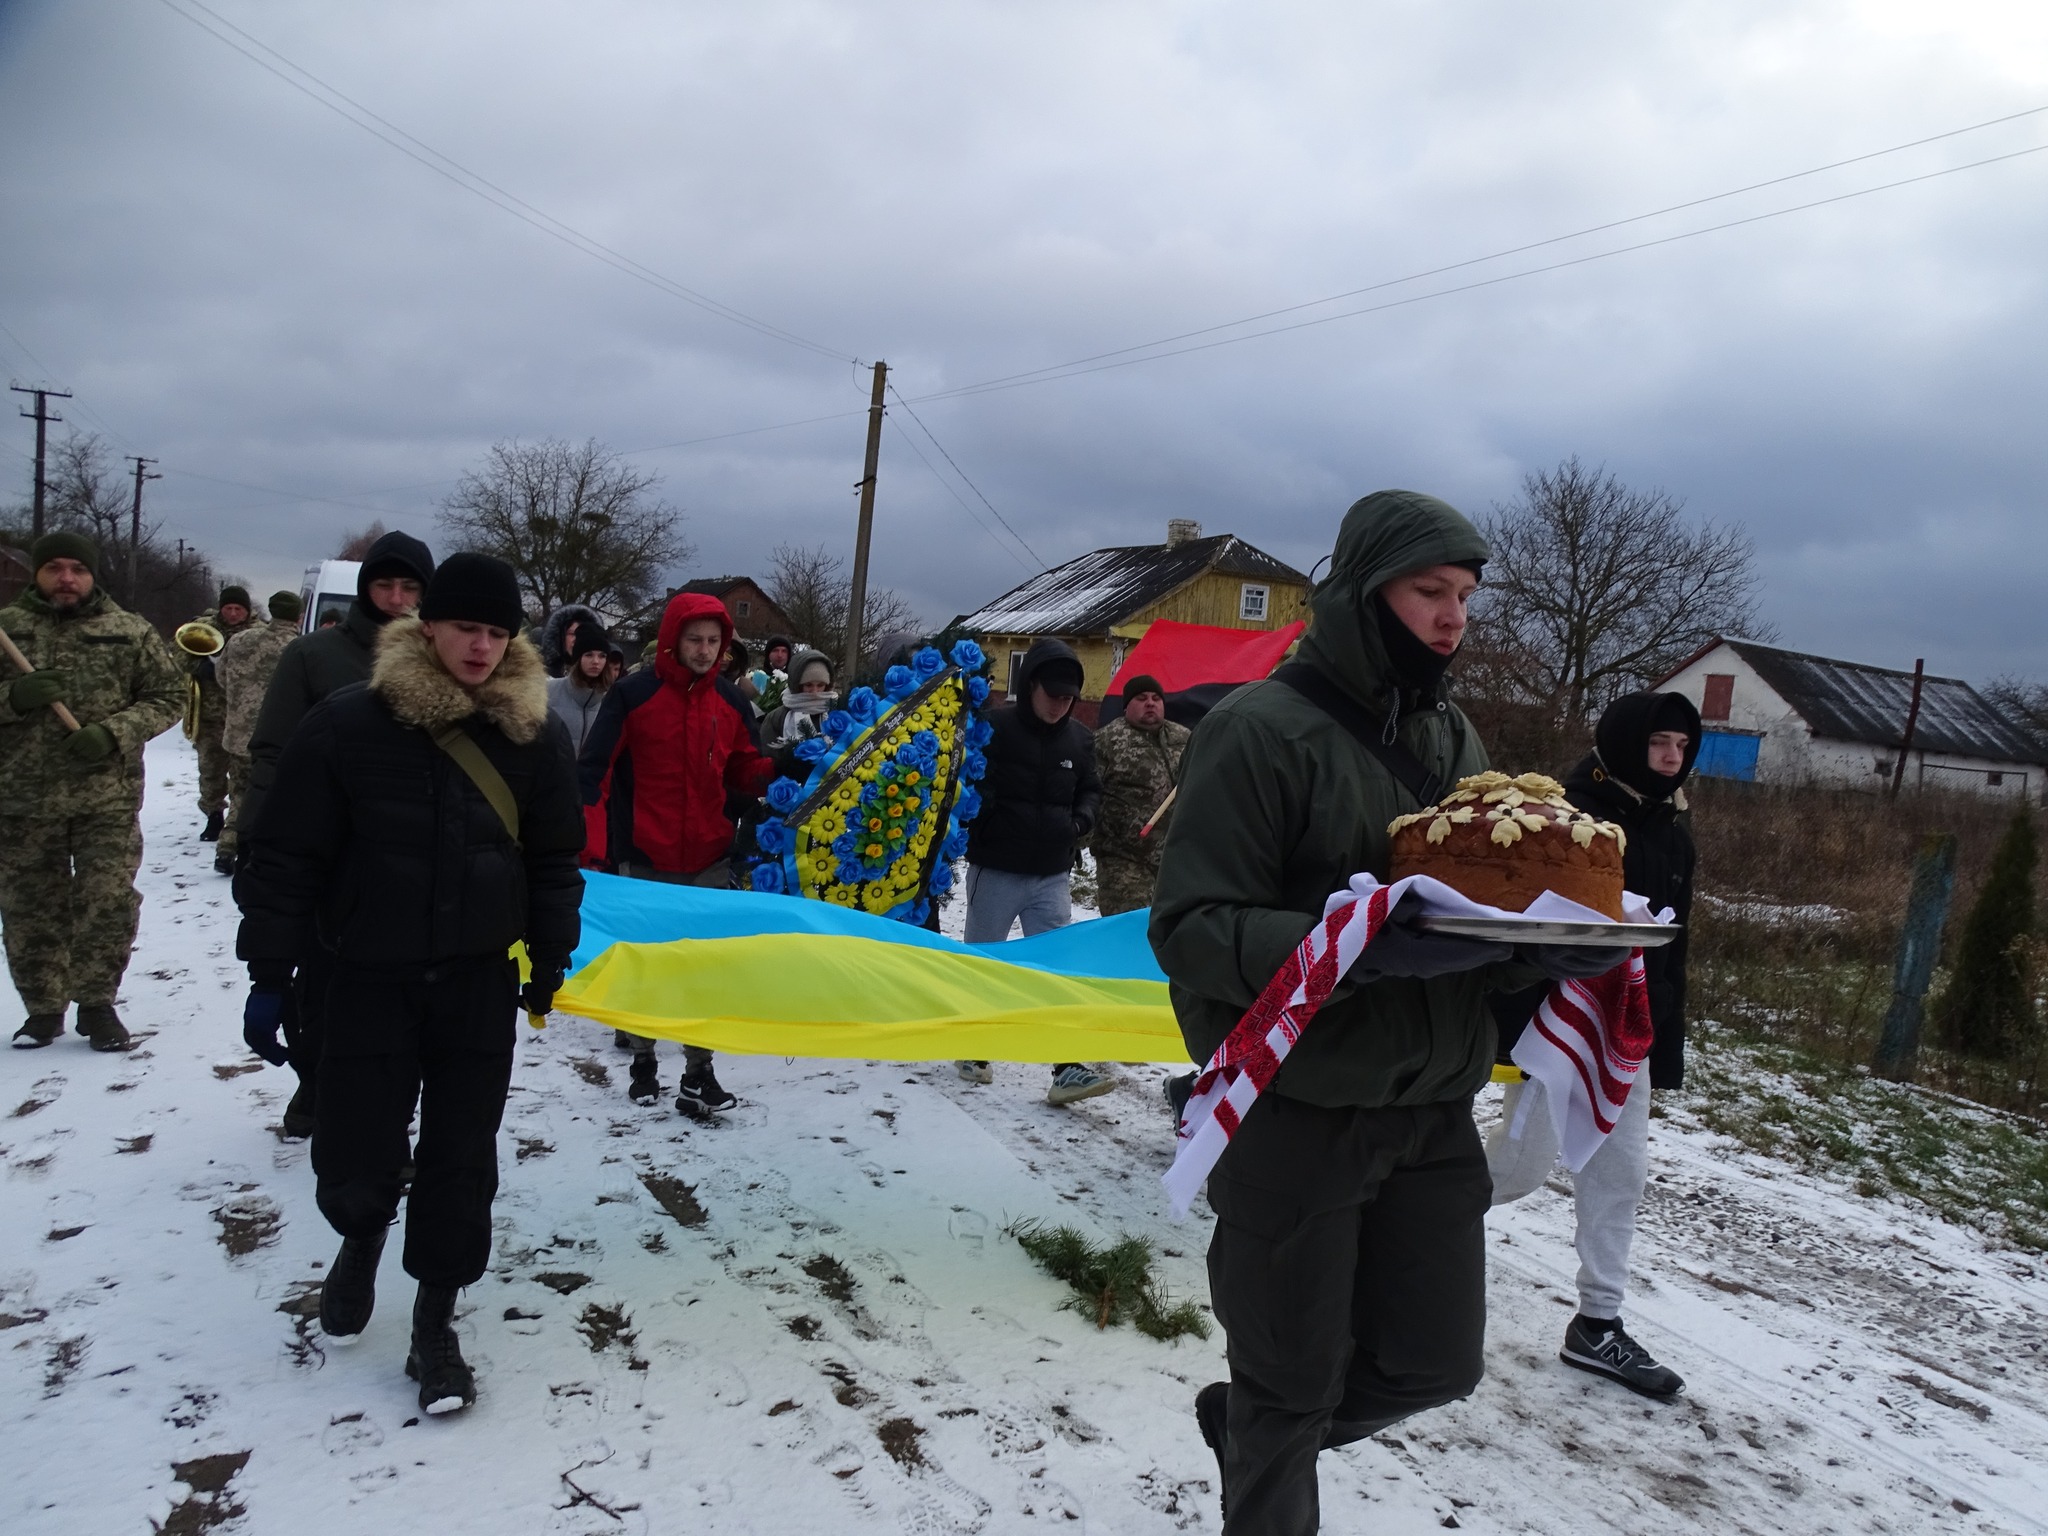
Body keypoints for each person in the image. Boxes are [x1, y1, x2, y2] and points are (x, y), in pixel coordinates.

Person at [1149, 490, 1608, 1533]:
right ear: (1363, 593)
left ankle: (1254, 1435)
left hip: (1432, 1111)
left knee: (1431, 1365)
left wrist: (1533, 955)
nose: (1453, 617)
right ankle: (1269, 1442)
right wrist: (1345, 947)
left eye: (1464, 596)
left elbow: (1473, 915)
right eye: (1428, 591)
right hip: (1297, 1110)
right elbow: (1188, 929)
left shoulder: (1454, 735)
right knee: (1290, 1379)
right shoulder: (1257, 732)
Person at [235, 553, 583, 1415]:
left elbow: (552, 861)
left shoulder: (534, 735)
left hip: (473, 982)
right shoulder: (348, 723)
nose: (481, 647)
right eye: (467, 627)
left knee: (461, 1158)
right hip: (362, 975)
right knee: (356, 1146)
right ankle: (360, 1237)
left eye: (498, 633)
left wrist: (547, 957)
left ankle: (435, 1326)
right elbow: (286, 855)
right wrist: (270, 972)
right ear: (427, 625)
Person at [1485, 689, 1701, 1400]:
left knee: (1621, 1175)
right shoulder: (1570, 820)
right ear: (1624, 743)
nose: (1673, 758)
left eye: (1682, 745)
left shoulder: (1672, 831)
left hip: (1631, 1031)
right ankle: (1388, 1238)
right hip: (1561, 1026)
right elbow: (1523, 924)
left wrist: (1663, 1040)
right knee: (1516, 1171)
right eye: (1659, 743)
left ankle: (1597, 1326)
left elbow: (1673, 947)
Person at [239, 530, 434, 1137]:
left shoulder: (445, 656)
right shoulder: (314, 657)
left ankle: (384, 1112)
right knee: (321, 984)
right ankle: (314, 1083)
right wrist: (259, 835)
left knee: (404, 1000)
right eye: (384, 584)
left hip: (411, 855)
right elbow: (273, 750)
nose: (398, 598)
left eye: (410, 587)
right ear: (364, 589)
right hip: (329, 851)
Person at [580, 591, 775, 1115]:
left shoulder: (732, 703)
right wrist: (588, 844)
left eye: (715, 641)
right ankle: (644, 1059)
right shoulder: (633, 696)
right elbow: (593, 771)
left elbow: (742, 770)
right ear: (673, 639)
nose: (706, 650)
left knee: (704, 971)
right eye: (696, 639)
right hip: (645, 856)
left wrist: (781, 769)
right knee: (651, 968)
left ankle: (699, 1072)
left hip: (710, 857)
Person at [1, 532, 184, 1052]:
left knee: (107, 903)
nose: (66, 578)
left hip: (107, 796)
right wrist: (13, 697)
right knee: (29, 907)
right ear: (37, 573)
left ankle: (97, 1005)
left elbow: (167, 696)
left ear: (91, 574)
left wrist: (114, 732)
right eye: (54, 568)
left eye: (77, 569)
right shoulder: (7, 630)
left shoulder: (127, 631)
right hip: (22, 799)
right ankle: (41, 1010)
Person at [957, 639, 1108, 1107]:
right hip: (997, 869)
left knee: (1055, 969)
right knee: (986, 961)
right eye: (1053, 695)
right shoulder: (994, 727)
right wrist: (988, 820)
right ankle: (973, 1045)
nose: (1060, 706)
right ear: (1030, 685)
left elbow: (1091, 790)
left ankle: (1066, 1067)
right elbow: (968, 781)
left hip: (1051, 875)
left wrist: (1080, 822)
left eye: (1069, 699)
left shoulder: (1080, 739)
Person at [215, 591, 303, 876]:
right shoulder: (299, 647)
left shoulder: (239, 640)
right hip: (275, 740)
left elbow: (220, 676)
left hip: (237, 735)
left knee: (239, 793)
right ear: (298, 616)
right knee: (269, 798)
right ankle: (255, 853)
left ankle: (227, 847)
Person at [1090, 674, 1190, 916]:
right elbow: (1089, 792)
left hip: (1174, 861)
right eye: (1141, 698)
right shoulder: (1106, 741)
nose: (1150, 703)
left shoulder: (1185, 738)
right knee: (1127, 933)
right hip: (1123, 860)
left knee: (1170, 933)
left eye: (1156, 698)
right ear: (1127, 706)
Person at [189, 585, 259, 844]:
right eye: (228, 608)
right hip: (210, 714)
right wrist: (197, 666)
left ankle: (239, 820)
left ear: (247, 611)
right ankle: (213, 815)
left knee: (243, 772)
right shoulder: (203, 628)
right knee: (210, 768)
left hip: (243, 715)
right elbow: (175, 656)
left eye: (238, 609)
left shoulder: (257, 633)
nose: (232, 614)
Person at [545, 620, 613, 755]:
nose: (596, 661)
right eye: (589, 655)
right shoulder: (549, 691)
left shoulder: (610, 700)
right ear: (578, 657)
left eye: (602, 656)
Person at [758, 647, 836, 754]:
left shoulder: (836, 712)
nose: (815, 692)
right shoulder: (777, 717)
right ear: (797, 685)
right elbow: (766, 753)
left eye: (820, 685)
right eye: (808, 685)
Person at [538, 602, 601, 680]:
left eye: (582, 634)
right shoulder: (544, 675)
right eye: (572, 634)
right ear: (561, 637)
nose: (576, 639)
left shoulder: (601, 678)